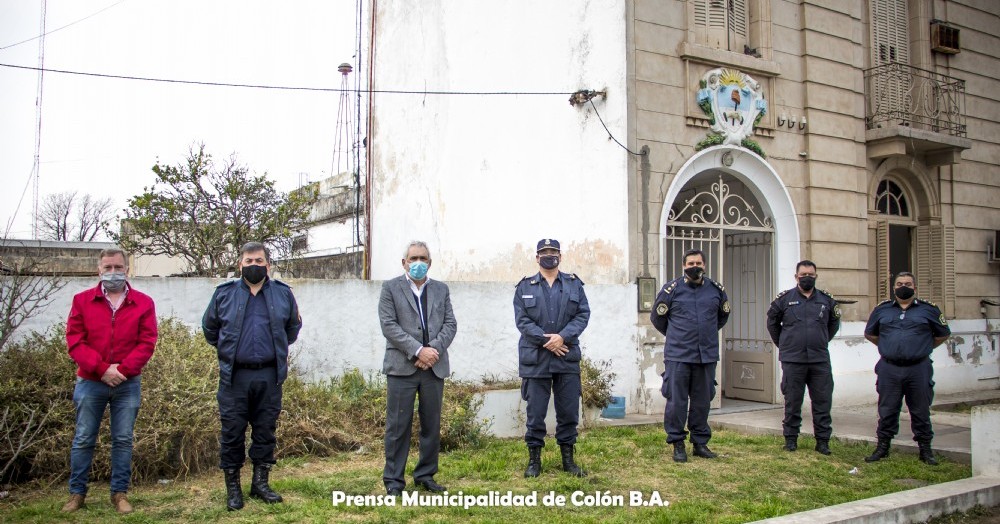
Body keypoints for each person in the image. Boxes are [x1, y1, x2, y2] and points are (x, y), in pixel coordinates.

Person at [202, 242, 302, 510]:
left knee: (265, 431)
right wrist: (231, 352)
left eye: (259, 261)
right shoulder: (224, 294)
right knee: (232, 432)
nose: (254, 266)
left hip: (269, 376)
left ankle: (260, 483)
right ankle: (233, 488)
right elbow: (210, 329)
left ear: (268, 265)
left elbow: (292, 329)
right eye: (248, 261)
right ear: (240, 264)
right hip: (235, 377)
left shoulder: (283, 294)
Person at [63, 248, 158, 514]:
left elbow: (147, 341)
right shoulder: (82, 300)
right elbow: (75, 341)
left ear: (127, 269)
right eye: (108, 267)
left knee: (123, 439)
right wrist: (102, 369)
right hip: (91, 382)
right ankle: (77, 494)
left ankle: (119, 494)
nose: (113, 272)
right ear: (99, 270)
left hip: (127, 383)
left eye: (118, 267)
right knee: (83, 438)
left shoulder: (143, 302)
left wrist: (123, 370)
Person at [379, 241, 458, 496]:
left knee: (431, 425)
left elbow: (450, 324)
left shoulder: (441, 290)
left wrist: (432, 350)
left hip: (433, 367)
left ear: (430, 262)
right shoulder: (390, 288)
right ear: (404, 262)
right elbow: (389, 326)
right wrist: (418, 350)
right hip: (402, 367)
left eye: (423, 258)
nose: (418, 263)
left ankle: (425, 475)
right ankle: (393, 480)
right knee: (398, 426)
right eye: (413, 258)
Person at [514, 238, 591, 478]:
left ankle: (568, 459)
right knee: (535, 413)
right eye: (544, 252)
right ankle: (534, 460)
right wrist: (548, 341)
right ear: (537, 257)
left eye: (553, 252)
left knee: (568, 412)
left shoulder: (574, 285)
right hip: (536, 358)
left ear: (561, 256)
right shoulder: (524, 287)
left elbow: (582, 314)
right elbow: (522, 321)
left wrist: (563, 337)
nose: (549, 255)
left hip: (566, 356)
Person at [651, 249, 730, 462]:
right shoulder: (671, 290)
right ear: (683, 266)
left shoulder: (716, 290)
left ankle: (700, 443)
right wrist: (679, 335)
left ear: (704, 265)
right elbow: (658, 318)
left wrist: (705, 334)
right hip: (679, 355)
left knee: (702, 401)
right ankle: (677, 444)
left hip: (706, 355)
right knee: (677, 402)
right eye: (690, 263)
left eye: (698, 263)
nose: (695, 266)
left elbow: (722, 317)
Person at [863, 271, 950, 465]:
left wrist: (921, 348)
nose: (904, 286)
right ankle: (882, 448)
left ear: (915, 288)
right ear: (894, 288)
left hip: (918, 368)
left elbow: (942, 334)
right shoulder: (882, 310)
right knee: (887, 409)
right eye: (900, 283)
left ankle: (925, 451)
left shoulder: (930, 310)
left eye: (908, 284)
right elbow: (870, 334)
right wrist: (890, 347)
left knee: (920, 410)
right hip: (889, 368)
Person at [766, 260, 841, 455]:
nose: (807, 277)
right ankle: (791, 439)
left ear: (816, 276)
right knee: (792, 401)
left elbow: (833, 325)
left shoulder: (826, 300)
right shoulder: (783, 300)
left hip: (819, 360)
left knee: (822, 402)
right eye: (803, 275)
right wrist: (785, 344)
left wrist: (820, 340)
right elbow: (772, 324)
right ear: (796, 277)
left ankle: (823, 441)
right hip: (793, 360)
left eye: (810, 274)